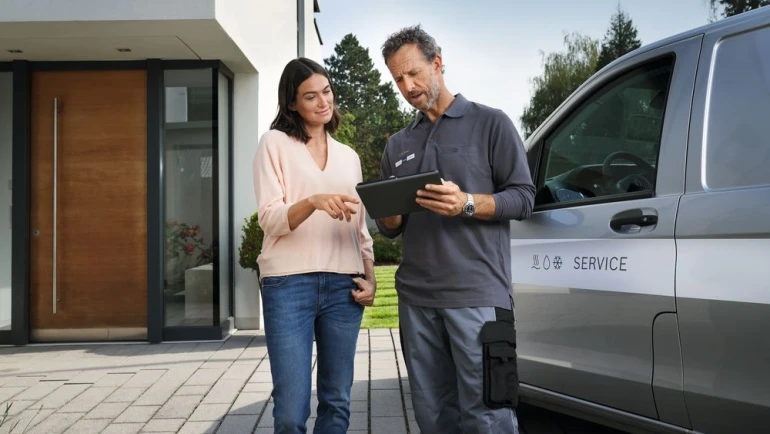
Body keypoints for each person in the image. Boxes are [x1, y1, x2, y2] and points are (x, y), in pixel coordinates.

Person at [377, 25, 536, 433]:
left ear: (437, 62)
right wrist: (389, 214)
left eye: (414, 73)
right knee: (433, 417)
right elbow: (390, 229)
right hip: (417, 301)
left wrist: (466, 202)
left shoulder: (491, 124)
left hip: (478, 297)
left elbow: (523, 197)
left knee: (489, 415)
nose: (407, 86)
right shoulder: (397, 145)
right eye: (398, 78)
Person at [252, 57, 376, 434]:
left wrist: (370, 278)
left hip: (343, 286)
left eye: (327, 92)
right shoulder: (274, 143)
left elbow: (360, 229)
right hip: (288, 285)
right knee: (290, 412)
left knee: (337, 402)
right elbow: (270, 218)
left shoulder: (349, 157)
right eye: (310, 96)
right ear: (292, 103)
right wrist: (312, 201)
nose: (323, 102)